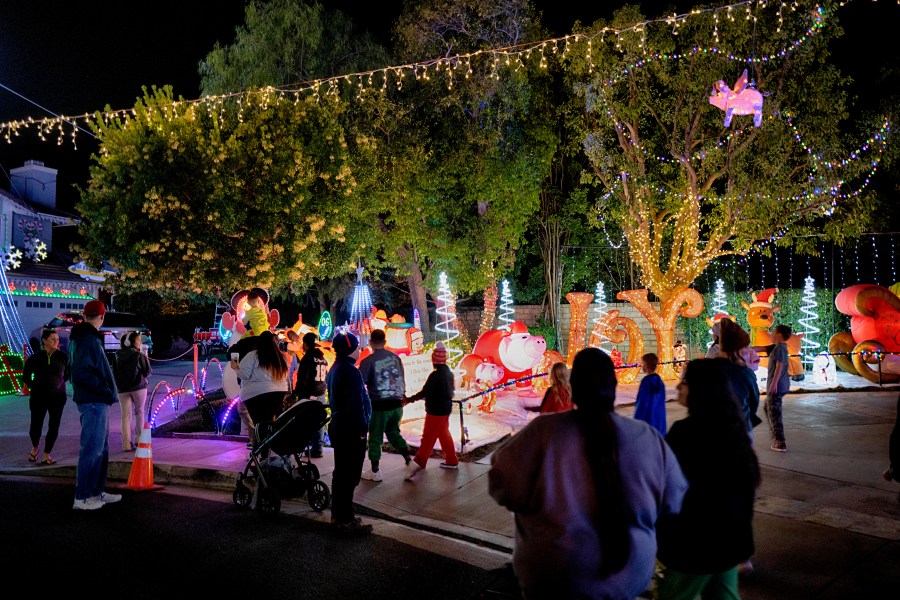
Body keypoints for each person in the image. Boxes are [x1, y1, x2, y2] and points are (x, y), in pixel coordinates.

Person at [488, 347, 688, 599]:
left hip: (552, 576)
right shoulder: (648, 439)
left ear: (575, 388)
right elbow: (673, 502)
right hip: (628, 576)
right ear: (614, 386)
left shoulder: (541, 434)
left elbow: (503, 487)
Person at [656, 359, 761, 599]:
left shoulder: (686, 432)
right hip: (729, 540)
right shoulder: (734, 428)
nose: (678, 387)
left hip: (694, 545)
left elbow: (668, 486)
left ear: (701, 389)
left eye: (685, 382)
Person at [69, 300, 122, 510]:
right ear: (102, 316)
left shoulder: (82, 337)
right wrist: (105, 390)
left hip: (94, 399)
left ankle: (96, 492)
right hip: (94, 400)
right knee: (93, 449)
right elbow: (82, 373)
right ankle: (83, 497)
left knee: (101, 448)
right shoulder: (88, 339)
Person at [326, 331, 373, 534]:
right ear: (350, 349)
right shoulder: (350, 372)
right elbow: (355, 405)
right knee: (349, 475)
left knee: (341, 474)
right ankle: (345, 520)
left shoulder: (336, 369)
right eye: (356, 346)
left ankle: (339, 515)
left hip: (339, 427)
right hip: (350, 430)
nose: (359, 349)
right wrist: (362, 430)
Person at [359, 328, 412, 481]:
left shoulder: (368, 361)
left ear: (370, 342)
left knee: (375, 437)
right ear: (384, 341)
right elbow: (402, 378)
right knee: (394, 433)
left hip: (380, 406)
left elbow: (360, 383)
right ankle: (409, 461)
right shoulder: (396, 358)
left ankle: (375, 471)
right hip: (397, 405)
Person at [404, 341, 459, 479]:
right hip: (445, 409)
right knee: (444, 434)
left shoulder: (435, 376)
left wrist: (408, 400)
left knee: (428, 437)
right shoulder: (448, 373)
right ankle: (452, 460)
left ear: (434, 360)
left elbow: (425, 392)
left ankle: (419, 462)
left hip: (435, 411)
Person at [22, 328, 70, 465]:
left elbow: (67, 374)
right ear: (44, 341)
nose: (56, 341)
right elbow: (26, 376)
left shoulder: (63, 356)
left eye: (57, 339)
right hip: (38, 397)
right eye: (53, 339)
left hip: (58, 398)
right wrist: (35, 386)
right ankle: (35, 447)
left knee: (54, 426)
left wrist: (58, 384)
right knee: (35, 426)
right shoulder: (35, 358)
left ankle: (46, 454)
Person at [230, 330, 289, 429]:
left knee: (258, 423)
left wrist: (235, 366)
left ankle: (259, 441)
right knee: (269, 421)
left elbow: (244, 375)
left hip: (257, 394)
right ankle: (268, 441)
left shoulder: (253, 355)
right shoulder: (281, 357)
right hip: (279, 393)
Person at [716, 319, 763, 439]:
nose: (748, 350)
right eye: (746, 346)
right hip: (740, 430)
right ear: (738, 349)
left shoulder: (706, 370)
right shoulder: (745, 374)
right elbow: (754, 401)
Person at [113, 331, 152, 452]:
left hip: (122, 389)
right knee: (139, 412)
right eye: (138, 340)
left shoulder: (117, 355)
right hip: (138, 387)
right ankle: (138, 440)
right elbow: (147, 372)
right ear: (130, 342)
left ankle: (126, 444)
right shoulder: (138, 355)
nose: (140, 342)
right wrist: (145, 358)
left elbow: (115, 372)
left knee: (125, 416)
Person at [293, 331, 328, 458]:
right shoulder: (322, 359)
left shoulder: (307, 358)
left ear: (306, 345)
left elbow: (302, 379)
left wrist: (295, 394)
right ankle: (317, 448)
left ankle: (303, 447)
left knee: (306, 421)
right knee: (319, 421)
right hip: (321, 393)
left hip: (309, 395)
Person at [765, 324, 792, 452]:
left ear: (779, 335)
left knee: (775, 413)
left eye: (773, 332)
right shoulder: (778, 347)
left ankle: (780, 442)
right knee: (768, 408)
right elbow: (761, 348)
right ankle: (775, 433)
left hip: (777, 386)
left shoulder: (780, 348)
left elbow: (779, 365)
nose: (771, 334)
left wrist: (774, 383)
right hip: (778, 385)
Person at [634, 352, 667, 435]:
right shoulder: (659, 381)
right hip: (659, 420)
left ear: (646, 365)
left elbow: (643, 403)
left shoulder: (646, 382)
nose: (642, 366)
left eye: (643, 363)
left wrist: (637, 420)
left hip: (648, 421)